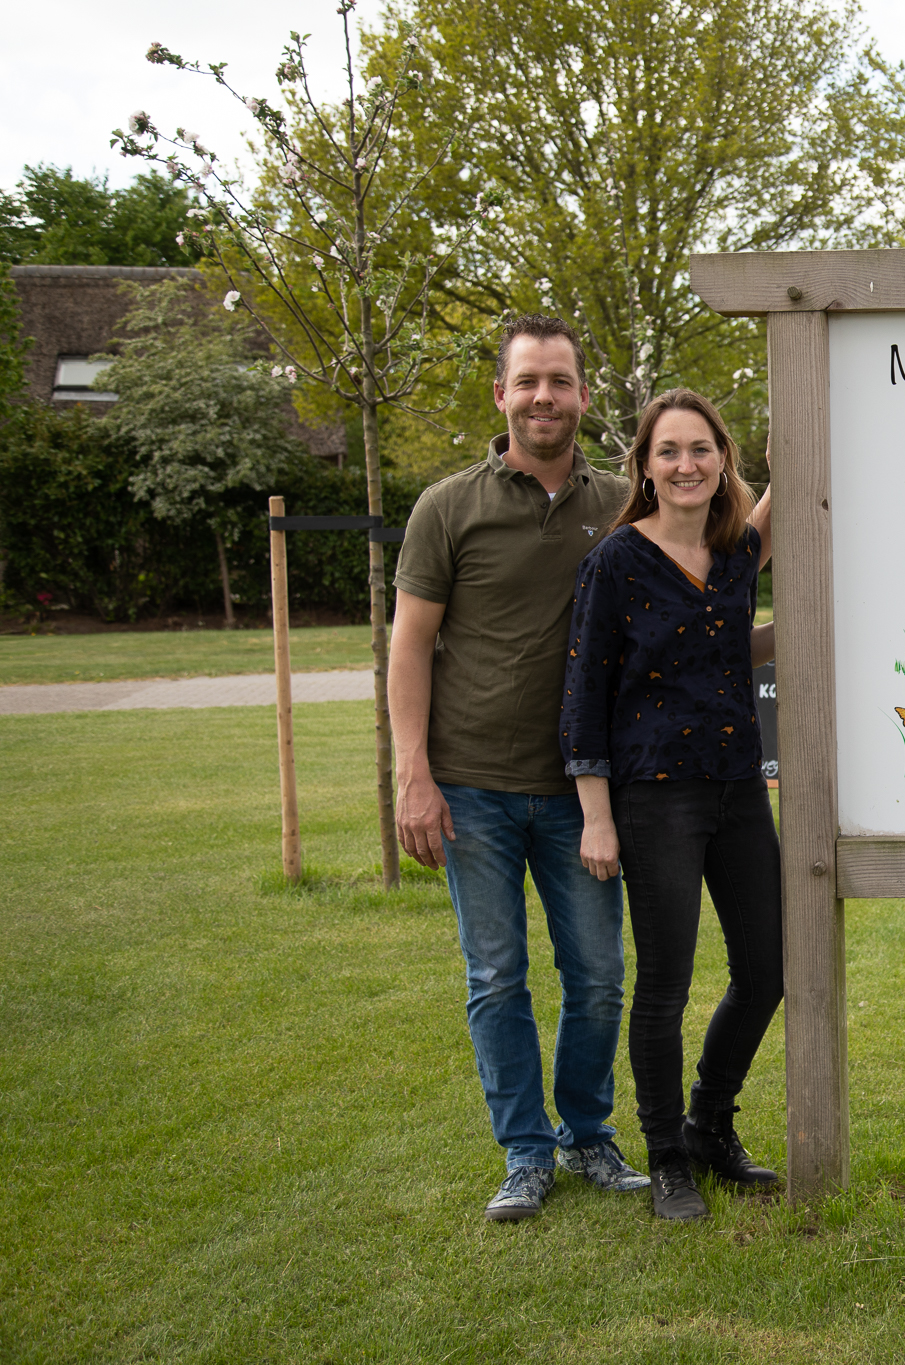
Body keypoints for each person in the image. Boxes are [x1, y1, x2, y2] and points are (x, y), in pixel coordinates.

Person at [390, 315, 648, 1223]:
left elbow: (712, 560)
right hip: (472, 789)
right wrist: (413, 773)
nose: (545, 397)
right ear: (501, 393)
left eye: (560, 381)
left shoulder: (622, 504)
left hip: (585, 791)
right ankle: (526, 1152)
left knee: (599, 977)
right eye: (529, 381)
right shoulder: (446, 506)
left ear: (583, 395)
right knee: (496, 977)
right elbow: (410, 646)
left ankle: (587, 1133)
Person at [560, 388, 782, 1222]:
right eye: (669, 451)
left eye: (700, 449)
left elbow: (726, 639)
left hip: (737, 787)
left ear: (722, 459)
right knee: (665, 985)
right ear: (645, 468)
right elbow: (583, 692)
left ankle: (709, 1124)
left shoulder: (734, 552)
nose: (686, 464)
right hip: (654, 798)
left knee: (768, 969)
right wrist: (596, 814)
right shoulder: (616, 562)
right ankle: (665, 1161)